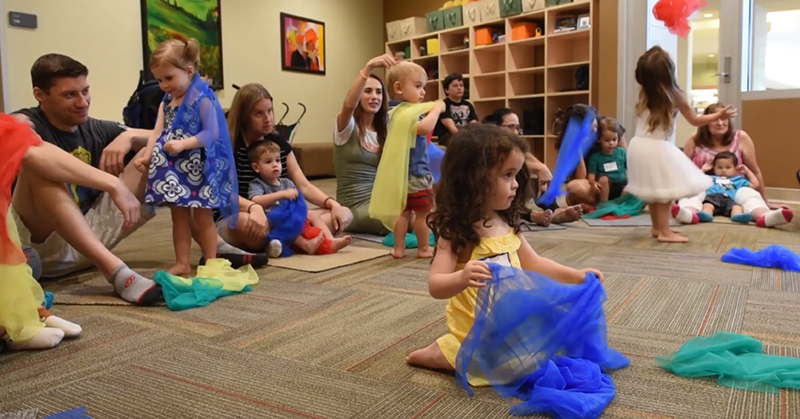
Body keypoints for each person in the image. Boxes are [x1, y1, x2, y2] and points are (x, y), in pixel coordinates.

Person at [404, 124, 604, 373]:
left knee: (546, 345)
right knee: (499, 366)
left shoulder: (507, 222)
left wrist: (577, 275)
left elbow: (535, 263)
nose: (516, 184)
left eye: (516, 175)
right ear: (474, 177)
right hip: (477, 327)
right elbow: (436, 285)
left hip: (512, 318)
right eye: (507, 175)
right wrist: (462, 276)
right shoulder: (458, 231)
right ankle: (444, 351)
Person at [10, 53, 162, 305]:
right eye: (70, 95)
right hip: (36, 248)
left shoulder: (97, 128)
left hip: (90, 235)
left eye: (85, 91)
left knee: (155, 151)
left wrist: (129, 137)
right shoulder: (26, 121)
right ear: (40, 95)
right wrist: (111, 183)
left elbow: (171, 138)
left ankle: (215, 246)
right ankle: (116, 272)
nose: (83, 102)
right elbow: (22, 140)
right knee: (38, 166)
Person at [135, 39, 238, 276]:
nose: (163, 85)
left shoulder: (201, 98)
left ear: (189, 71)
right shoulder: (165, 102)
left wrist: (183, 144)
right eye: (159, 80)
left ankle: (212, 260)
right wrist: (148, 155)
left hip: (197, 167)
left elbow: (210, 133)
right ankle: (182, 261)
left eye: (168, 78)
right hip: (173, 169)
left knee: (203, 216)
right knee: (178, 217)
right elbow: (157, 132)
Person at [221, 83, 353, 252]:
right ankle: (296, 237)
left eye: (269, 111)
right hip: (239, 214)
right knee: (244, 223)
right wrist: (253, 208)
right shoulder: (228, 144)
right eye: (258, 114)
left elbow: (303, 185)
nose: (268, 118)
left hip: (275, 215)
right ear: (244, 116)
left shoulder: (277, 142)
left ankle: (280, 240)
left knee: (342, 214)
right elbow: (224, 194)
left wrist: (333, 205)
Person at [626, 46, 735, 243]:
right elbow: (694, 120)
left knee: (653, 191)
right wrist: (719, 114)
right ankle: (665, 231)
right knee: (665, 192)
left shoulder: (644, 93)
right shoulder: (675, 95)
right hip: (657, 148)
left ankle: (657, 228)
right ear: (669, 71)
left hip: (638, 146)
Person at [376, 60, 445, 259]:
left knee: (403, 213)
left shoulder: (390, 113)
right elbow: (424, 128)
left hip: (399, 177)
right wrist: (436, 110)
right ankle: (424, 248)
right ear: (398, 88)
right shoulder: (407, 113)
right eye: (417, 86)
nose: (423, 92)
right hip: (416, 175)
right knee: (423, 215)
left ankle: (399, 249)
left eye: (424, 87)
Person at [246, 141, 351, 255]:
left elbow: (298, 202)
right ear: (256, 167)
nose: (275, 165)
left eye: (278, 160)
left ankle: (331, 241)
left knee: (312, 214)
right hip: (273, 220)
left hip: (292, 217)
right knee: (286, 221)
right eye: (268, 161)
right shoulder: (257, 184)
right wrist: (282, 194)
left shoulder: (287, 183)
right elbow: (256, 200)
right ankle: (306, 245)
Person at [483, 108, 582, 226]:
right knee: (517, 174)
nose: (515, 132)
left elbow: (527, 157)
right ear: (496, 127)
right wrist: (537, 168)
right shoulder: (488, 143)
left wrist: (542, 168)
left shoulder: (514, 145)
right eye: (510, 127)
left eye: (517, 127)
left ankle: (553, 211)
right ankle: (531, 215)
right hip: (488, 191)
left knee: (528, 178)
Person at [334, 55, 392, 235]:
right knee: (400, 218)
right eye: (368, 91)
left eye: (379, 92)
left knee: (421, 210)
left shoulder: (385, 130)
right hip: (354, 207)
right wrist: (369, 67)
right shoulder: (346, 126)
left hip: (380, 202)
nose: (374, 97)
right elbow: (348, 104)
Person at [673, 152, 792, 227]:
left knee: (738, 207)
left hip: (731, 199)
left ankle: (763, 217)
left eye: (728, 167)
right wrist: (703, 170)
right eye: (719, 167)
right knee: (708, 206)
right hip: (712, 198)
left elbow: (755, 184)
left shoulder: (737, 180)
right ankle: (690, 214)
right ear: (714, 168)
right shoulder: (710, 178)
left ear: (735, 168)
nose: (723, 170)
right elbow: (695, 180)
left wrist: (747, 171)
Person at [587, 117, 628, 202]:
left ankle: (619, 204)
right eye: (607, 140)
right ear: (598, 140)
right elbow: (591, 175)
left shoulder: (622, 152)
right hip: (606, 188)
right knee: (603, 179)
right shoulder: (595, 157)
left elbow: (631, 168)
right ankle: (604, 205)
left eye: (614, 139)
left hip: (622, 185)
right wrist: (593, 183)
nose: (611, 143)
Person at [433, 73, 477, 146]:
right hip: (448, 138)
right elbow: (451, 128)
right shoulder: (442, 104)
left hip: (466, 137)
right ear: (446, 90)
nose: (459, 88)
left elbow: (474, 124)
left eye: (461, 85)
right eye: (455, 86)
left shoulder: (468, 105)